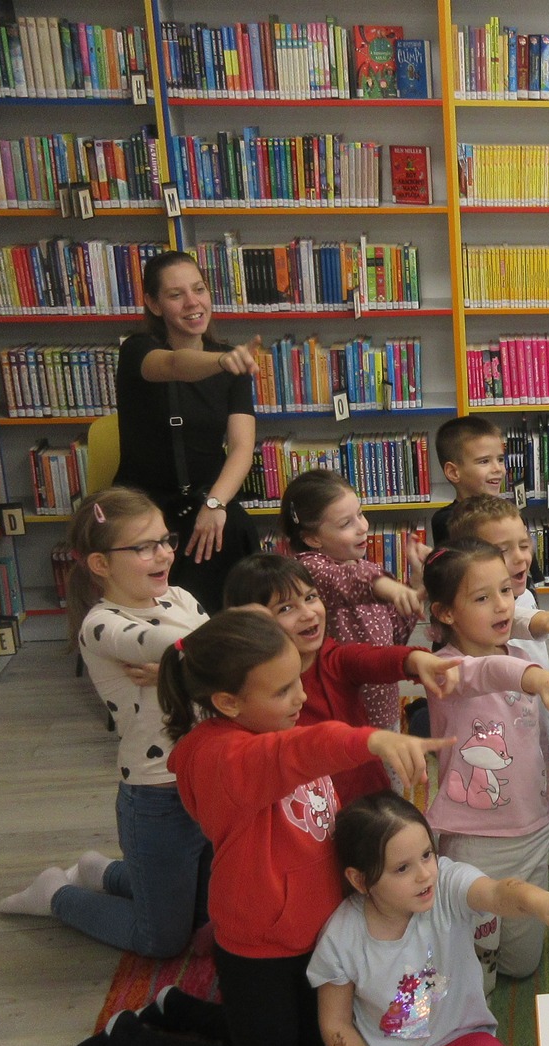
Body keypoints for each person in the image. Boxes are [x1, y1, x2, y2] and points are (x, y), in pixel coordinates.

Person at [70, 610, 449, 1046]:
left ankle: (177, 1007)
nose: (301, 698)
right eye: (283, 690)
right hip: (261, 948)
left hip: (315, 936)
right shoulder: (220, 759)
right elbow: (291, 755)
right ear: (228, 702)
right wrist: (369, 740)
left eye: (298, 681)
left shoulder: (267, 721)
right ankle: (130, 1037)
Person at [279, 792, 549, 1046]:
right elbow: (336, 1025)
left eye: (427, 855)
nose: (424, 874)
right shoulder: (341, 935)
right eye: (402, 869)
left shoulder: (447, 885)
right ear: (360, 881)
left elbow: (501, 892)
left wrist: (544, 903)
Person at [0, 489, 211, 959]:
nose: (164, 554)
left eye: (166, 540)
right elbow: (222, 648)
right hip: (158, 796)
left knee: (206, 916)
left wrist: (181, 670)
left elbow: (212, 651)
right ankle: (55, 893)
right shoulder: (102, 625)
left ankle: (101, 872)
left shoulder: (180, 598)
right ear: (100, 563)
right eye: (144, 547)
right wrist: (193, 664)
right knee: (162, 940)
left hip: (208, 782)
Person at [420, 540, 549, 982]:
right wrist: (538, 677)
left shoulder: (520, 659)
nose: (502, 605)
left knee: (523, 963)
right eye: (482, 598)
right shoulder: (444, 669)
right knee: (474, 969)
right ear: (445, 613)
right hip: (475, 841)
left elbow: (542, 754)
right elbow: (485, 672)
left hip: (531, 835)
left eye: (505, 591)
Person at [113, 250, 262, 608]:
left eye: (199, 289)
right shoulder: (137, 350)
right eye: (175, 295)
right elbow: (175, 365)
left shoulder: (231, 361)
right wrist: (222, 361)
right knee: (151, 555)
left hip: (208, 496)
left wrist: (215, 503)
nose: (192, 303)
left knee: (237, 534)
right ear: (154, 304)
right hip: (146, 503)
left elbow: (242, 447)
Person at [220, 555, 459, 776]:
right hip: (310, 799)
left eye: (310, 597)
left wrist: (415, 659)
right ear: (252, 622)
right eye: (286, 608)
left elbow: (369, 659)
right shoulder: (251, 689)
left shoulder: (331, 656)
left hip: (365, 787)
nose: (308, 614)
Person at [280, 468, 423, 731]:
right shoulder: (309, 570)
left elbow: (395, 638)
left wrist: (416, 586)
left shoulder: (363, 567)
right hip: (340, 718)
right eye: (346, 523)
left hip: (383, 710)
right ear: (311, 538)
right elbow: (345, 581)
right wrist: (390, 589)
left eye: (360, 514)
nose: (363, 527)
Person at [445, 493, 549, 669]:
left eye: (524, 545)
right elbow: (513, 620)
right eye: (502, 550)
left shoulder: (526, 595)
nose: (521, 557)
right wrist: (544, 619)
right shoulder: (470, 612)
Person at [429, 416, 507, 546]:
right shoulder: (448, 521)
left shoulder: (507, 514)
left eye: (500, 460)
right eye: (484, 461)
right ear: (453, 472)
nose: (498, 468)